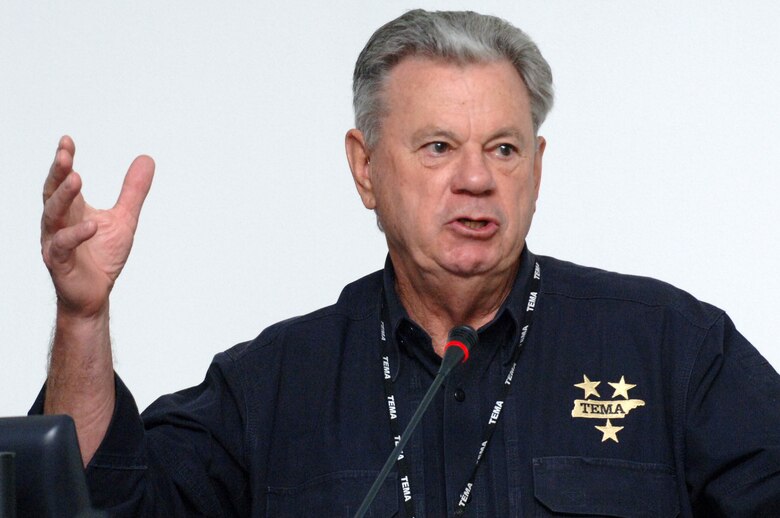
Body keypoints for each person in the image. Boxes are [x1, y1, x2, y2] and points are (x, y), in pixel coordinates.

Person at [34, 9, 779, 517]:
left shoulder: (672, 348)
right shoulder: (273, 385)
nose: (477, 179)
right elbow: (100, 499)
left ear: (537, 167)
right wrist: (83, 316)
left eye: (504, 148)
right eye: (438, 147)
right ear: (365, 169)